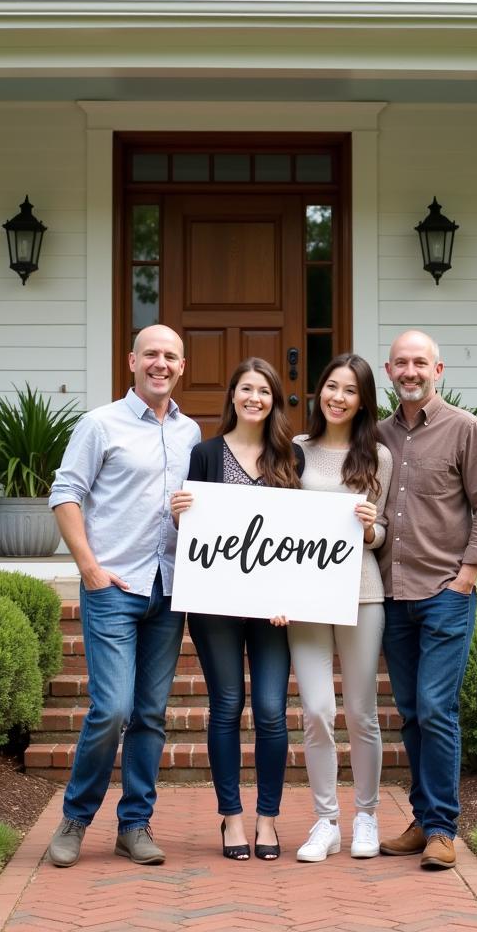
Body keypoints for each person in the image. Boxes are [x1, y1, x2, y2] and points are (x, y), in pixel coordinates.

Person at [45, 324, 200, 869]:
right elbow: (65, 492)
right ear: (131, 361)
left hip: (168, 587)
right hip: (114, 586)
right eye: (151, 354)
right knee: (112, 708)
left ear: (182, 367)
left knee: (152, 713)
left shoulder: (190, 432)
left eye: (171, 356)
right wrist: (89, 568)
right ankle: (75, 819)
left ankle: (135, 825)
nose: (161, 363)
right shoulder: (99, 423)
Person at [376, 330, 477, 870]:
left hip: (444, 593)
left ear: (438, 369)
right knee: (409, 712)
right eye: (401, 363)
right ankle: (423, 817)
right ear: (389, 372)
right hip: (391, 596)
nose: (411, 371)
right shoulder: (377, 437)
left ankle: (444, 829)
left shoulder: (463, 429)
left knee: (435, 708)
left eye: (420, 363)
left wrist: (467, 576)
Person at [170, 357, 303, 862]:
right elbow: (195, 534)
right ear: (233, 396)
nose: (254, 398)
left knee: (271, 711)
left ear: (273, 400)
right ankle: (231, 816)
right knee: (227, 705)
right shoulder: (205, 455)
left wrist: (292, 597)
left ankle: (267, 817)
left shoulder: (290, 458)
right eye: (246, 389)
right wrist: (180, 515)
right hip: (215, 606)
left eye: (264, 391)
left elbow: (302, 539)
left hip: (274, 611)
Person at [289, 353, 393, 863]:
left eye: (350, 390)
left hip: (360, 593)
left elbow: (382, 535)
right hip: (306, 595)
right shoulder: (295, 451)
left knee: (360, 712)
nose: (337, 397)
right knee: (316, 710)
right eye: (331, 386)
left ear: (363, 400)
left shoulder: (378, 456)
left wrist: (371, 526)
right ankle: (326, 820)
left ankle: (367, 816)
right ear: (319, 391)